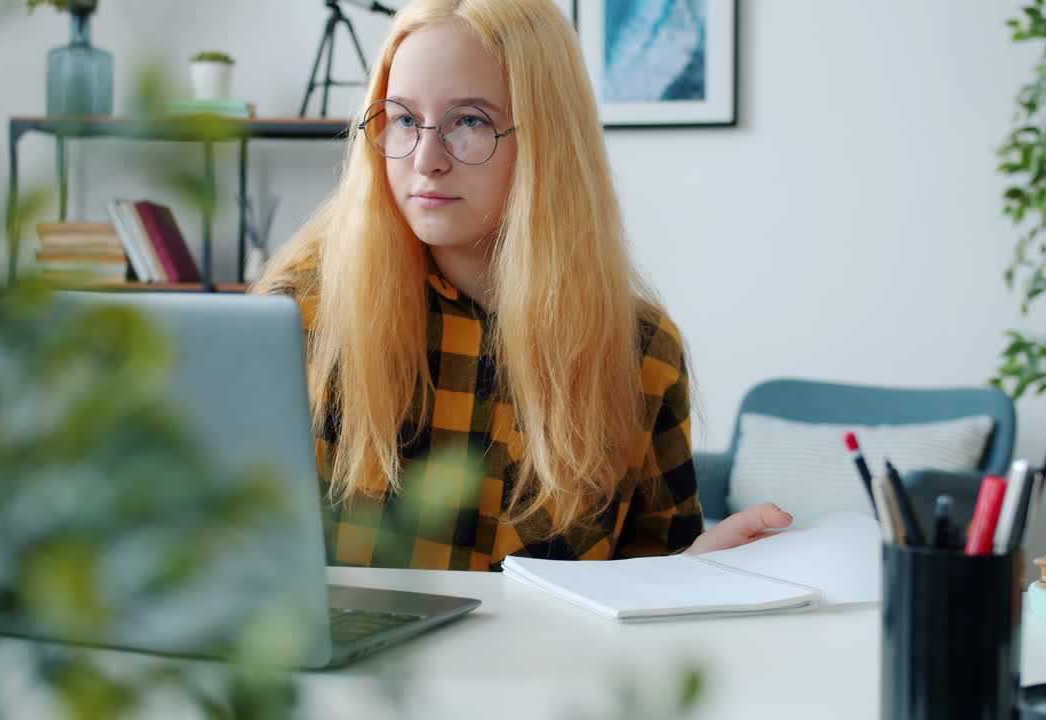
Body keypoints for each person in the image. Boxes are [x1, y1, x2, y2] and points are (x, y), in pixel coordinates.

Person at [255, 0, 790, 570]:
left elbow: (652, 590)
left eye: (469, 121)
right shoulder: (298, 318)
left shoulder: (642, 353)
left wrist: (700, 569)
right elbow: (224, 558)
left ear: (547, 141)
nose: (426, 159)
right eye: (404, 118)